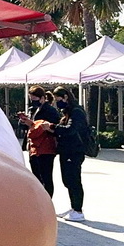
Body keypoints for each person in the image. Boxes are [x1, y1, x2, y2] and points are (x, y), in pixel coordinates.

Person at [45, 88, 89, 222]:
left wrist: (52, 127)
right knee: (68, 180)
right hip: (67, 150)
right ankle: (73, 207)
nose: (58, 103)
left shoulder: (76, 112)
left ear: (65, 97)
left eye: (58, 100)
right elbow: (63, 129)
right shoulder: (68, 112)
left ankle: (78, 210)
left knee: (73, 180)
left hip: (74, 151)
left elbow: (70, 130)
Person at [17, 85, 61, 198]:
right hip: (33, 147)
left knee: (46, 176)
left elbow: (55, 128)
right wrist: (24, 122)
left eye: (35, 99)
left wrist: (40, 126)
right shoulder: (33, 110)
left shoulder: (51, 111)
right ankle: (38, 200)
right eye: (31, 99)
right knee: (36, 176)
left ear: (42, 98)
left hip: (46, 147)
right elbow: (27, 128)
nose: (33, 102)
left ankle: (47, 201)